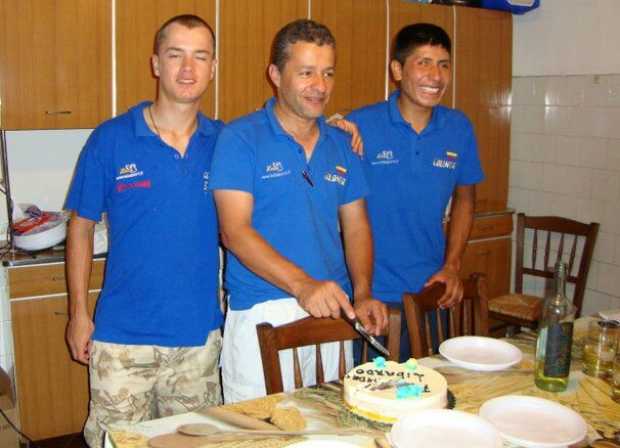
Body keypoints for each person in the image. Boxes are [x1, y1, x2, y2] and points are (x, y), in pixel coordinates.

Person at [209, 19, 388, 404]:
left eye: (328, 73)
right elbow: (234, 232)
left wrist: (363, 292)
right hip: (262, 311)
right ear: (275, 75)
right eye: (306, 73)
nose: (320, 85)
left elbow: (356, 226)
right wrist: (303, 285)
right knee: (259, 429)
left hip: (331, 310)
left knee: (329, 424)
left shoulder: (342, 144)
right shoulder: (240, 138)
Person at [65, 15, 223, 447]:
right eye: (175, 55)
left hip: (197, 342)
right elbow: (81, 227)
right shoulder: (111, 139)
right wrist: (78, 314)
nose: (187, 68)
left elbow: (287, 128)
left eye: (200, 56)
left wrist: (337, 126)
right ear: (156, 63)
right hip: (122, 342)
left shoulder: (226, 143)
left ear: (212, 67)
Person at [347, 23, 484, 361]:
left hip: (432, 293)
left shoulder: (458, 127)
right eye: (423, 63)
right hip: (374, 298)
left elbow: (466, 199)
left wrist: (452, 266)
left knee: (432, 387)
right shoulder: (361, 125)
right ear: (397, 70)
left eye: (443, 65)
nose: (435, 76)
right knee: (376, 391)